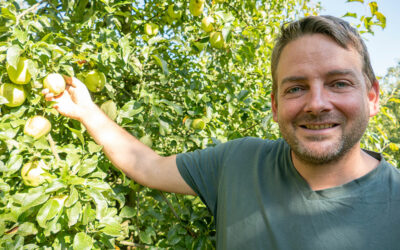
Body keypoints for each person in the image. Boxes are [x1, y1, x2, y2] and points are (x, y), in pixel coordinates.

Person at [44, 15, 400, 249]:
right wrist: (88, 112)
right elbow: (148, 166)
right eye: (295, 88)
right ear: (275, 106)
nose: (317, 103)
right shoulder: (238, 162)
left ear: (372, 98)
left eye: (338, 83)